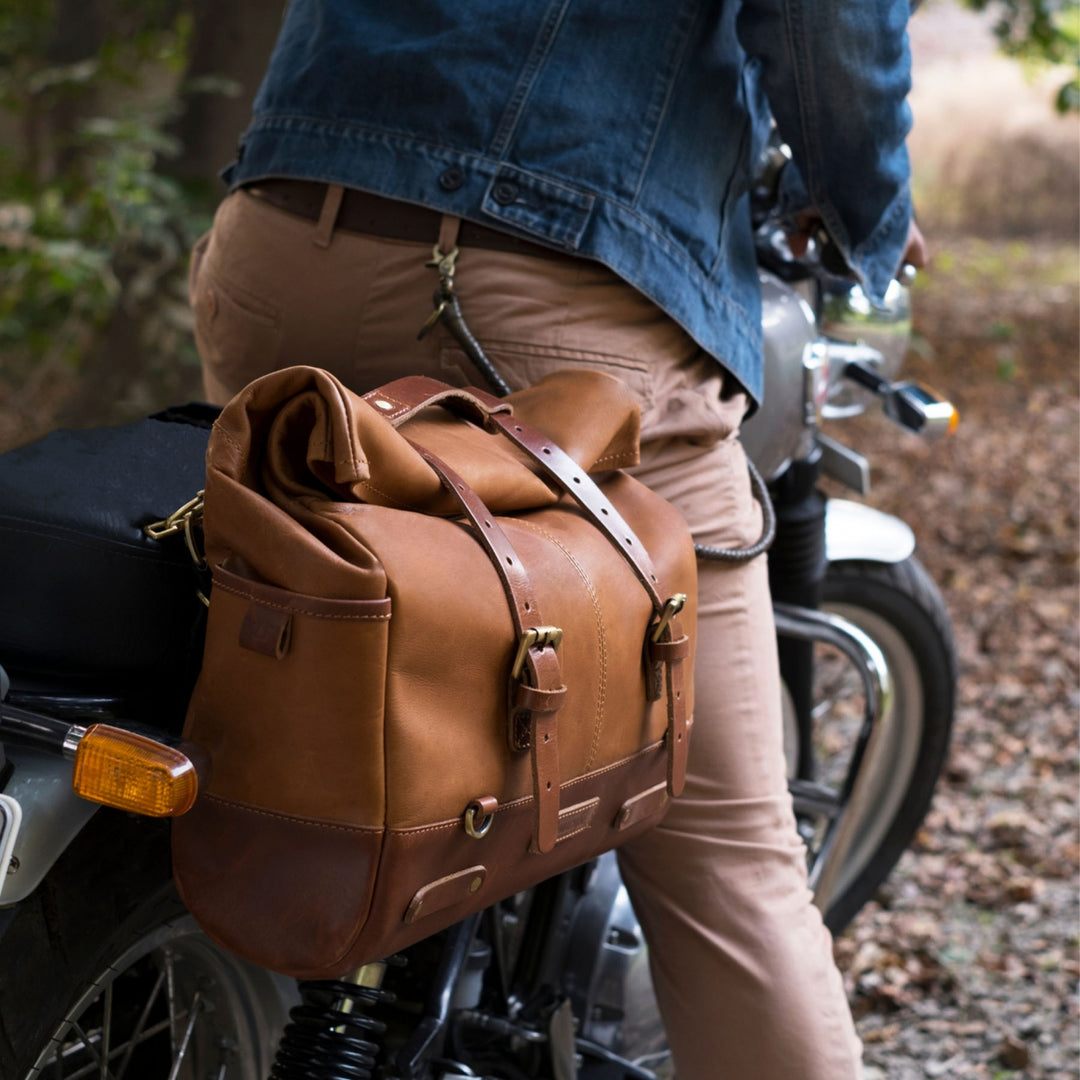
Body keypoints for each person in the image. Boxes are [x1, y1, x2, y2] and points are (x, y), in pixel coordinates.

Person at [189, 3, 925, 1076]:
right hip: (532, 285)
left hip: (281, 242)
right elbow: (831, 28)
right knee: (728, 870)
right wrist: (868, 211)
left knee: (297, 673)